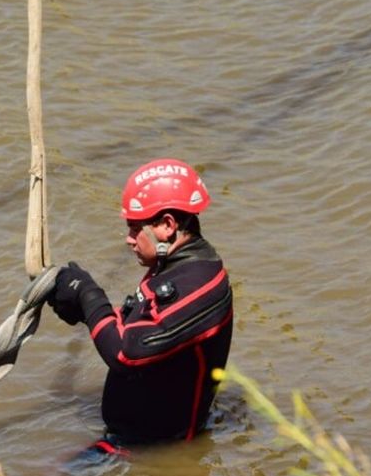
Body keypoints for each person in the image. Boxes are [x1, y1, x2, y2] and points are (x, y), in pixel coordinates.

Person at [48, 158, 233, 453]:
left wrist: (88, 296)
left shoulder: (201, 285)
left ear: (167, 225)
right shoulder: (174, 267)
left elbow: (126, 352)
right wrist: (82, 309)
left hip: (162, 452)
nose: (129, 240)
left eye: (135, 229)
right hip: (133, 443)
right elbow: (135, 326)